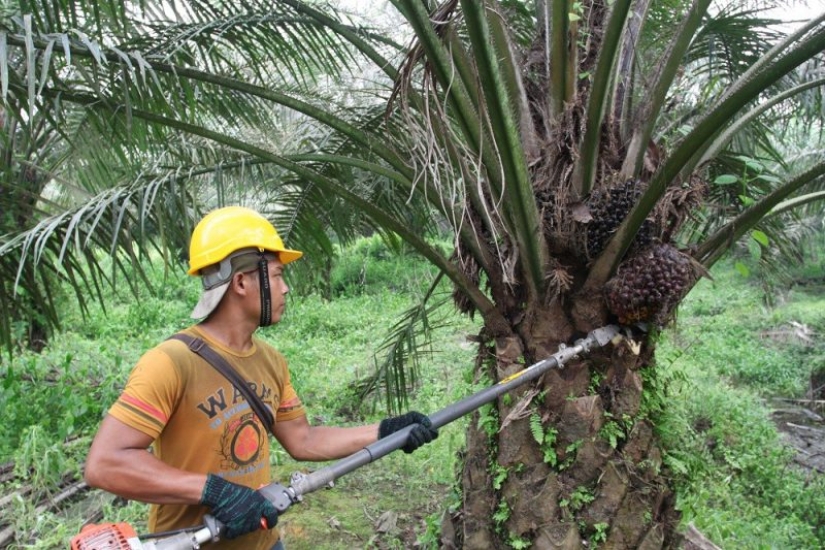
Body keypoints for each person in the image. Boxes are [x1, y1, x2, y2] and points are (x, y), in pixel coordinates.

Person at [84, 206, 438, 550]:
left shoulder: (271, 361)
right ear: (240, 281)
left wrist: (387, 431)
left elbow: (303, 439)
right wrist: (213, 491)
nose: (285, 289)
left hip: (265, 542)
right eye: (278, 275)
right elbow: (105, 463)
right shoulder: (170, 363)